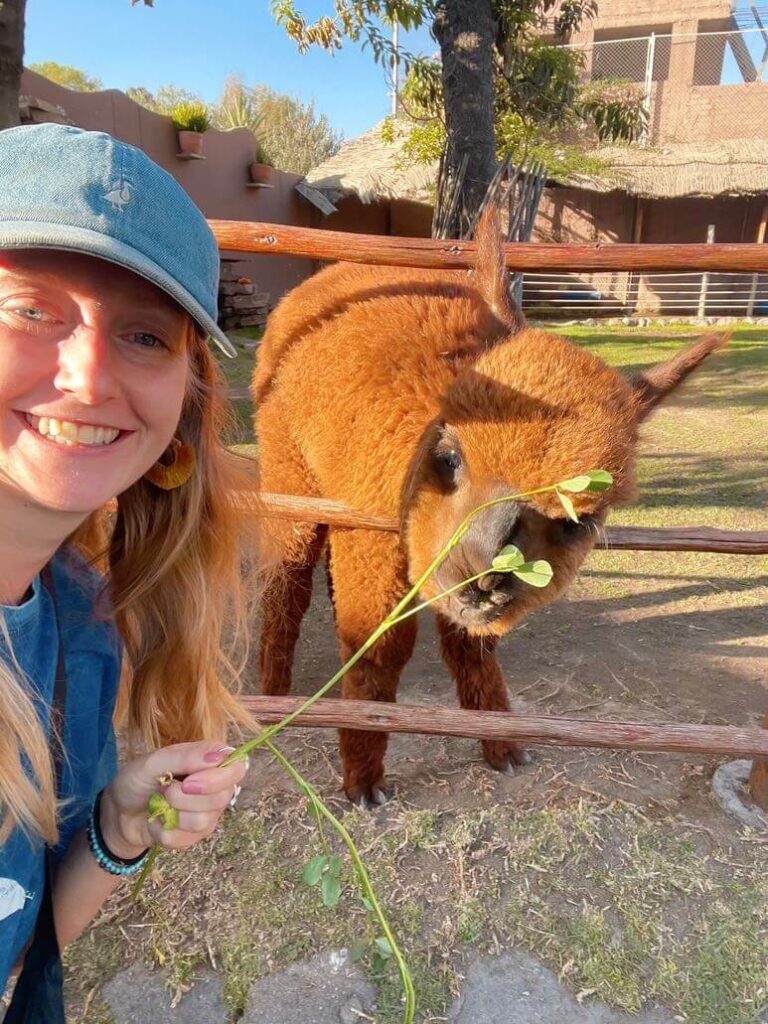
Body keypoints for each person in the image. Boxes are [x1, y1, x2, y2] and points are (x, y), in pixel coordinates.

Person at [0, 123, 265, 1014]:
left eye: (146, 335)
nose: (88, 379)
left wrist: (116, 828)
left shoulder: (80, 624)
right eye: (30, 309)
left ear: (182, 413)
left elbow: (19, 935)